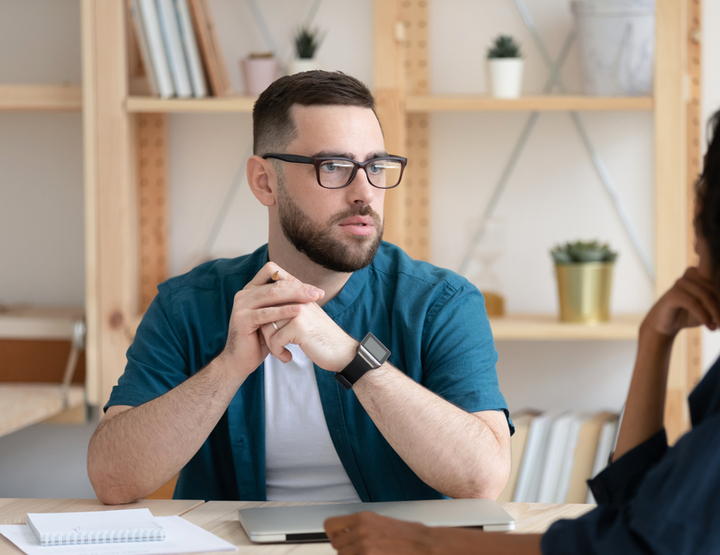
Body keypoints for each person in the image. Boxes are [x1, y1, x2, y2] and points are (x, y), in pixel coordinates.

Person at [324, 78, 720, 555]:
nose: (697, 203)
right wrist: (655, 341)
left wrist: (427, 546)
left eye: (709, 183)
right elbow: (640, 512)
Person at [87, 71, 511, 505]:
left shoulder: (440, 303)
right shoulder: (187, 305)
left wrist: (352, 358)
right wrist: (228, 368)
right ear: (264, 182)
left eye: (376, 166)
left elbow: (481, 480)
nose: (364, 192)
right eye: (334, 166)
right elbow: (113, 479)